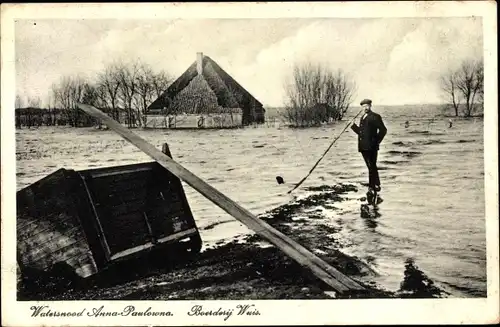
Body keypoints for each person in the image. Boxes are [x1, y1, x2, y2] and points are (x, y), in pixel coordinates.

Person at [350, 99, 387, 194]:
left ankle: (371, 187)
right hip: (363, 147)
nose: (365, 108)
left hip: (372, 147)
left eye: (367, 106)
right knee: (371, 166)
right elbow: (361, 133)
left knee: (371, 166)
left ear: (370, 106)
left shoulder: (375, 116)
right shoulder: (363, 117)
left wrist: (376, 142)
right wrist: (353, 126)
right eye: (363, 106)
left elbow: (383, 130)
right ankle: (377, 184)